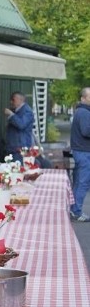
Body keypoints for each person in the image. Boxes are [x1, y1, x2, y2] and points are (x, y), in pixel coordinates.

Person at [69, 87, 90, 222]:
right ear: (83, 98)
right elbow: (86, 131)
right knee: (82, 183)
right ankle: (76, 211)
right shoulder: (84, 112)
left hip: (80, 151)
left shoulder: (81, 111)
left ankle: (73, 209)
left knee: (78, 182)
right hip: (84, 152)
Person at [4, 91, 35, 161]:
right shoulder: (16, 111)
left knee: (19, 169)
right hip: (13, 149)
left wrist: (11, 115)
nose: (11, 102)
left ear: (21, 100)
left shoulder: (27, 111)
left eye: (13, 100)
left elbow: (21, 124)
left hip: (20, 150)